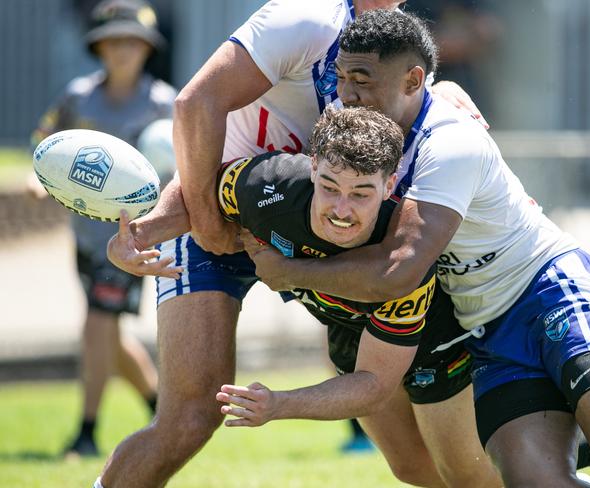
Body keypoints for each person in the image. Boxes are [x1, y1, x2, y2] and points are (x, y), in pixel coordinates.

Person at [245, 9, 590, 487]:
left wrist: (289, 273)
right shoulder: (357, 123)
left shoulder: (450, 140)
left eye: (362, 79)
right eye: (340, 77)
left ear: (413, 80)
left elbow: (396, 271)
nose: (345, 93)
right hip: (487, 330)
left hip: (547, 288)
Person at [92, 1, 485, 486]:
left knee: (419, 467)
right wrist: (168, 229)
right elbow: (194, 104)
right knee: (191, 416)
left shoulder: (387, 47)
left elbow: (411, 96)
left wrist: (439, 91)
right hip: (235, 204)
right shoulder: (306, 17)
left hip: (316, 218)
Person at [30, 0, 176, 457]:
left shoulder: (164, 103)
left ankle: (87, 433)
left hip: (130, 243)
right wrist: (38, 180)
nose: (122, 50)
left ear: (147, 48)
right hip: (86, 239)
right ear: (98, 46)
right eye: (113, 41)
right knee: (108, 338)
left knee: (96, 325)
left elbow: (182, 171)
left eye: (132, 41)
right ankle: (163, 411)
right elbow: (44, 146)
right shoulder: (78, 97)